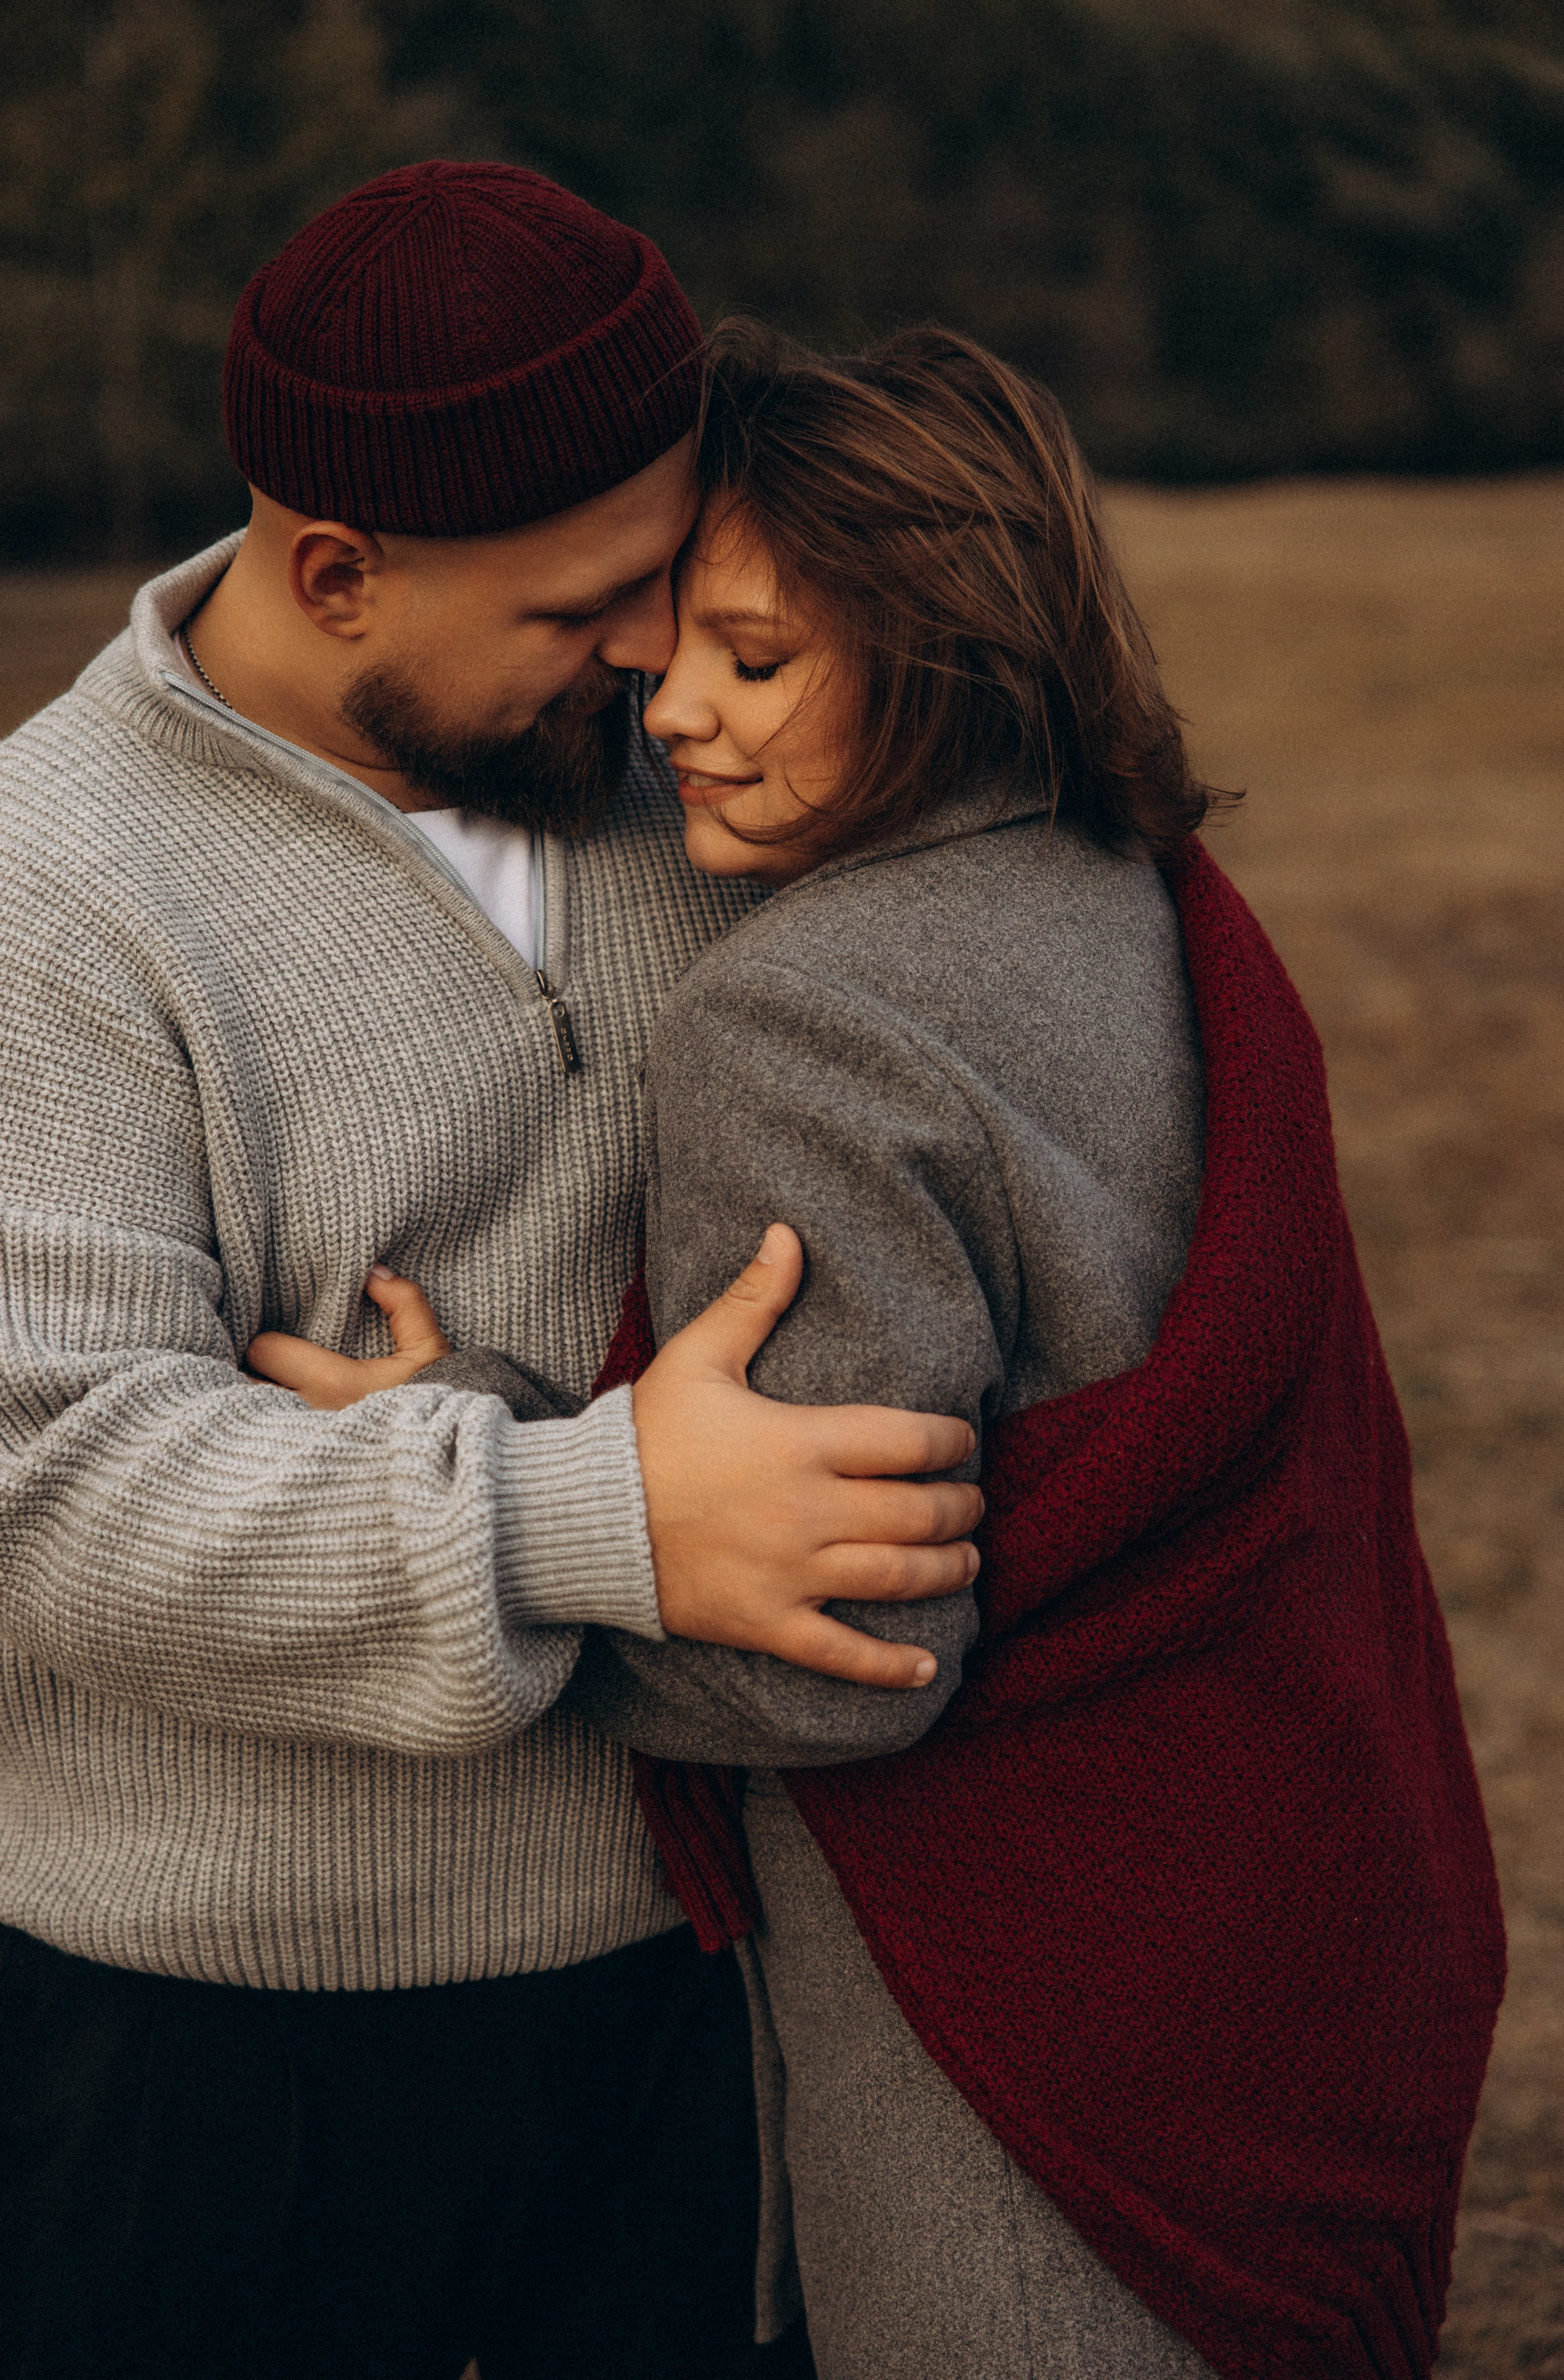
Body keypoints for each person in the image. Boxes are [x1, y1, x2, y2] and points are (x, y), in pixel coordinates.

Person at [291, 322, 1506, 2379]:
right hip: (1296, 1923)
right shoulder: (1138, 888)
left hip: (1022, 2027)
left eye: (755, 660)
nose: (673, 710)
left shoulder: (801, 1024)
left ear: (947, 646)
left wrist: (501, 1488)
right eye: (674, 648)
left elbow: (832, 1654)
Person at [0, 172, 986, 2380]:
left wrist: (513, 1449)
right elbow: (55, 1489)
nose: (650, 658)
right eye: (584, 605)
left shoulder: (701, 777)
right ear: (338, 573)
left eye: (669, 583)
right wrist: (584, 1512)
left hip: (705, 1964)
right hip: (218, 2050)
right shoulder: (35, 887)